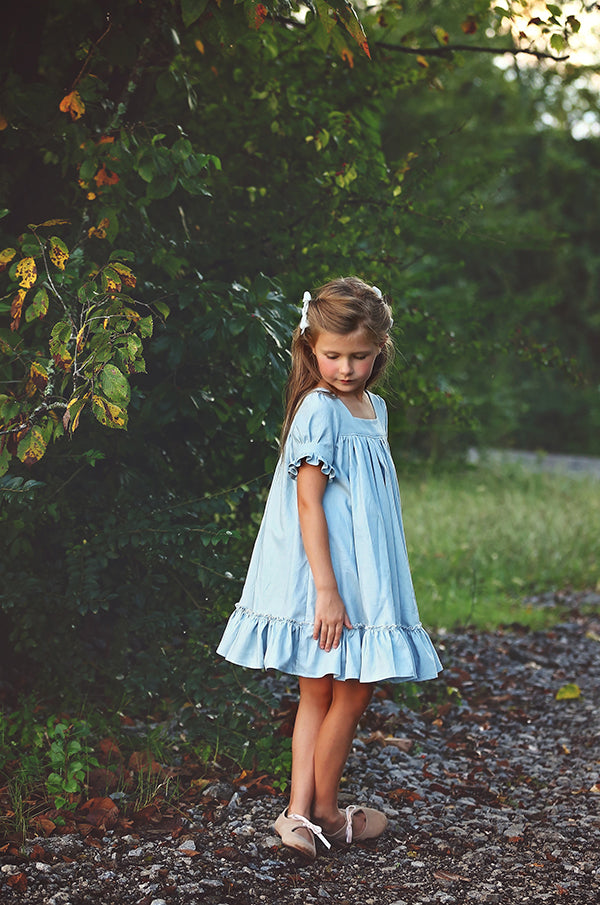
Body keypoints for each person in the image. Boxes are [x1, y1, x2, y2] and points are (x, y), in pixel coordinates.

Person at [217, 277, 442, 860]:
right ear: (311, 348)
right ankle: (305, 811)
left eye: (360, 356)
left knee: (346, 691)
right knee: (326, 691)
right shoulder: (318, 408)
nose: (345, 368)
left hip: (364, 573)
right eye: (333, 355)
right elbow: (308, 501)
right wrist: (325, 591)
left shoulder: (374, 408)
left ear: (379, 351)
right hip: (326, 577)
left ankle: (317, 809)